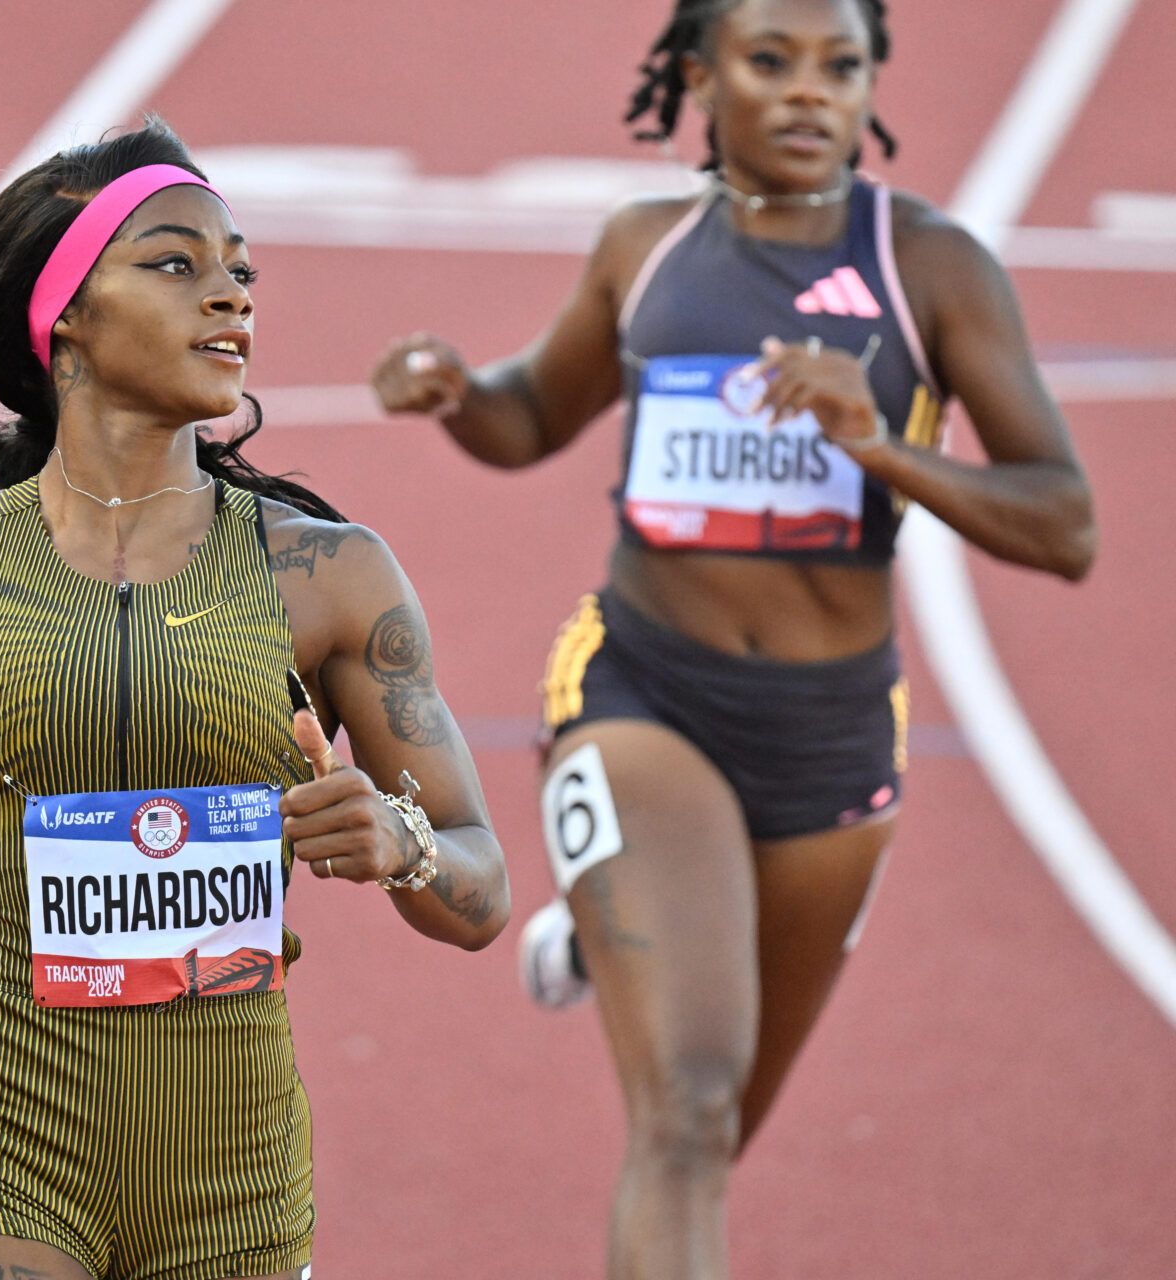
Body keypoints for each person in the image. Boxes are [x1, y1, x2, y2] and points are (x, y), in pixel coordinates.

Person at [370, 1, 1095, 1275]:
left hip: (831, 733)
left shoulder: (930, 268)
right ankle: (631, 900)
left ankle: (615, 931)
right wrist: (458, 395)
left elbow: (1066, 524)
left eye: (842, 66)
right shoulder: (646, 246)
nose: (813, 92)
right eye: (772, 62)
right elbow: (532, 415)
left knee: (720, 1127)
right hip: (646, 691)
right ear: (701, 79)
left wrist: (880, 447)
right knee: (688, 1116)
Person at [0, 116, 509, 1280]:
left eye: (241, 270)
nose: (230, 295)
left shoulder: (331, 577)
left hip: (233, 1177)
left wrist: (403, 843)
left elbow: (480, 885)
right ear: (66, 316)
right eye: (177, 263)